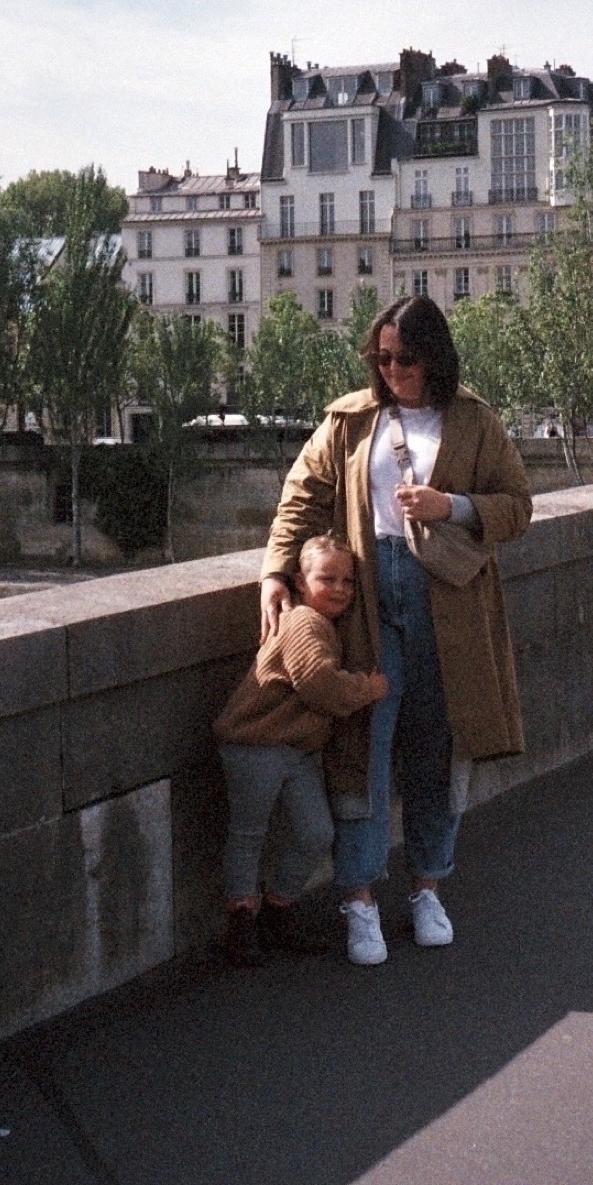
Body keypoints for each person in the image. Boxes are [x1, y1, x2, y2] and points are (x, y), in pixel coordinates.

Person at [260, 294, 533, 967]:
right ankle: (358, 901)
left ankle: (428, 888)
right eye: (379, 358)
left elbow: (518, 507)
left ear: (433, 357)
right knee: (363, 750)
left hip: (451, 604)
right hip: (369, 603)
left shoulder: (475, 421)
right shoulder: (352, 421)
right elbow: (302, 496)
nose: (390, 371)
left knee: (436, 750)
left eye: (404, 359)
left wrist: (454, 505)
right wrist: (274, 572)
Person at [214, 535, 387, 966]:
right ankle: (241, 923)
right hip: (256, 744)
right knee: (249, 834)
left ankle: (277, 909)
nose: (341, 588)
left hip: (296, 748)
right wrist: (369, 688)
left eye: (349, 580)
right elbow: (318, 683)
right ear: (299, 581)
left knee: (316, 832)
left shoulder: (318, 622)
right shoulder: (305, 622)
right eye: (327, 578)